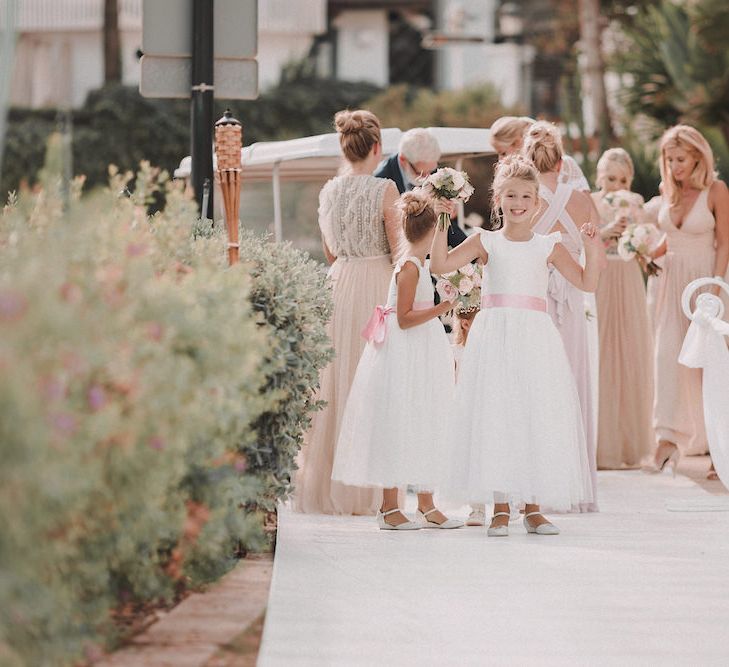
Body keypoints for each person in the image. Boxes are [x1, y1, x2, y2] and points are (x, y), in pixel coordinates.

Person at [431, 155, 603, 535]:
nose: (518, 203)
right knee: (497, 416)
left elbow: (588, 283)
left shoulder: (549, 245)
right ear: (498, 199)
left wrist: (592, 246)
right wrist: (444, 217)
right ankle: (500, 507)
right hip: (495, 336)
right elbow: (439, 265)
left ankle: (534, 509)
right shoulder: (485, 241)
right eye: (510, 195)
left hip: (535, 339)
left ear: (537, 202)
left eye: (526, 196)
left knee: (534, 415)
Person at [331, 191, 463, 530]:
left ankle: (425, 504)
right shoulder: (409, 269)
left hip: (419, 351)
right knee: (399, 422)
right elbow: (404, 318)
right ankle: (389, 508)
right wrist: (442, 309)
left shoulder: (415, 264)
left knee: (421, 421)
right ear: (432, 234)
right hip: (406, 353)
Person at [294, 109, 402, 515]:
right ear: (377, 149)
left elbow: (330, 251)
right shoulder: (386, 190)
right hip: (376, 283)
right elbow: (399, 250)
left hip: (338, 286)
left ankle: (329, 485)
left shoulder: (329, 191)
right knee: (372, 383)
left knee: (335, 384)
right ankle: (370, 491)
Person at [523, 121, 606, 512]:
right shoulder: (581, 200)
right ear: (562, 162)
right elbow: (596, 253)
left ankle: (534, 487)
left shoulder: (521, 199)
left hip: (532, 299)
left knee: (535, 389)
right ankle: (573, 487)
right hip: (571, 299)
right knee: (572, 385)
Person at [644, 125, 729, 479]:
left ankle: (718, 448)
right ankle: (667, 439)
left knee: (710, 367)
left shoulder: (716, 190)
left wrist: (716, 288)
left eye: (680, 159)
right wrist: (650, 252)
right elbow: (670, 235)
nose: (675, 166)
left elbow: (724, 241)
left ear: (698, 156)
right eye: (669, 159)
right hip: (669, 284)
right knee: (666, 359)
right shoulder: (668, 189)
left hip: (706, 284)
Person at [591, 148, 654, 469]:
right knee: (601, 354)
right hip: (601, 278)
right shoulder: (589, 202)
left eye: (623, 179)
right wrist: (606, 232)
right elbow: (583, 244)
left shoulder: (637, 204)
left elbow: (644, 249)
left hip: (628, 279)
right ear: (599, 177)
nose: (616, 185)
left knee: (630, 354)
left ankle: (629, 445)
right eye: (610, 178)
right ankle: (601, 445)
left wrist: (634, 238)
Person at [375, 127, 467, 248]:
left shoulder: (427, 167)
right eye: (422, 173)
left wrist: (468, 249)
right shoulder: (382, 179)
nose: (428, 177)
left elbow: (446, 223)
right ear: (403, 159)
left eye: (432, 170)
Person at [490, 116, 591, 192]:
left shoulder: (564, 165)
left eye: (503, 153)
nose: (500, 159)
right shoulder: (515, 176)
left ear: (517, 142)